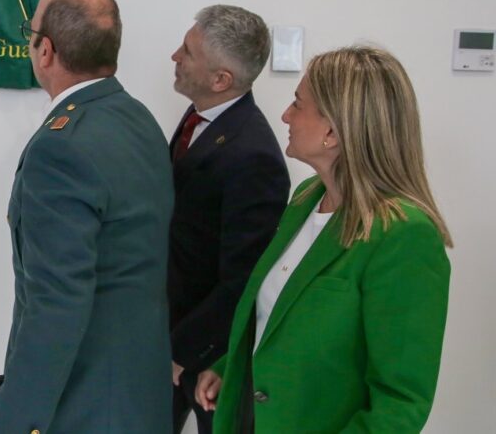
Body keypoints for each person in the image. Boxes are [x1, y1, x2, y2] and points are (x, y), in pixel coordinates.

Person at [194, 46, 452, 433]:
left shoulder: (404, 236)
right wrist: (230, 368)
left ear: (333, 130)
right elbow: (278, 317)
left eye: (298, 104)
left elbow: (400, 402)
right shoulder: (306, 198)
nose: (285, 115)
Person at [0, 0, 174, 433]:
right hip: (140, 391)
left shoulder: (60, 149)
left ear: (45, 51)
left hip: (86, 406)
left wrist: (11, 423)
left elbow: (55, 307)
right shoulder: (138, 118)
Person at [167, 5, 290, 434]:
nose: (174, 57)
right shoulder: (198, 116)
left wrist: (182, 352)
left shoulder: (253, 155)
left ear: (222, 80)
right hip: (170, 338)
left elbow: (242, 279)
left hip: (207, 358)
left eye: (187, 51)